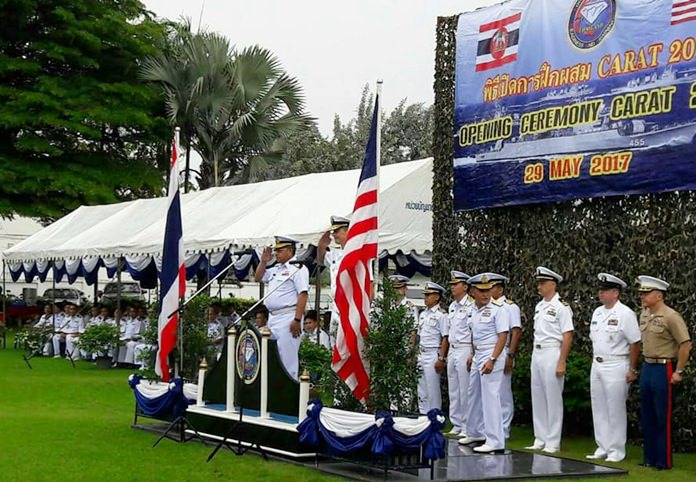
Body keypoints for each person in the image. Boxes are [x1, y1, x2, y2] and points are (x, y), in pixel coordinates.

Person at [637, 275, 692, 470]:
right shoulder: (644, 314)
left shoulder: (671, 316)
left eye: (646, 293)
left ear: (659, 295)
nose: (642, 296)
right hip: (648, 366)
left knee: (662, 415)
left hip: (663, 367)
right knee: (647, 414)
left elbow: (685, 344)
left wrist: (679, 370)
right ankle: (649, 458)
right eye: (642, 293)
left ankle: (663, 460)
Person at [586, 273, 641, 463]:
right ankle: (603, 446)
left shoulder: (625, 314)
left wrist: (632, 369)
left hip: (617, 363)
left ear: (615, 293)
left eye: (605, 290)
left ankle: (617, 449)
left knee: (615, 408)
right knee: (599, 407)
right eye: (600, 290)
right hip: (598, 363)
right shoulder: (597, 312)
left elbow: (635, 343)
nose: (600, 293)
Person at [458, 273, 510, 454]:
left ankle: (495, 440)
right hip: (479, 352)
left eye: (488, 290)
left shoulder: (498, 309)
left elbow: (503, 335)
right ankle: (475, 432)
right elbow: (474, 334)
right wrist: (473, 353)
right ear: (473, 291)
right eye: (481, 290)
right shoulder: (472, 309)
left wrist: (493, 359)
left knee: (490, 396)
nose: (485, 294)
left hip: (492, 352)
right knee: (473, 393)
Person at [525, 266, 574, 454]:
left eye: (543, 283)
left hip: (553, 351)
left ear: (553, 284)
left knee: (553, 398)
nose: (539, 286)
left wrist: (562, 361)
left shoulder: (561, 306)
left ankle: (553, 441)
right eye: (539, 282)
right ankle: (540, 438)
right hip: (537, 353)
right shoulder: (539, 306)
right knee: (537, 396)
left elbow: (567, 335)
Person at [255, 236, 309, 380]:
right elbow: (258, 277)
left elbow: (303, 295)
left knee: (287, 358)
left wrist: (297, 319)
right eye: (276, 250)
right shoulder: (276, 269)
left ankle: (289, 396)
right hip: (273, 317)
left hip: (288, 316)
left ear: (290, 251)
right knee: (272, 356)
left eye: (280, 250)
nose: (276, 253)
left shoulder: (298, 268)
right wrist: (263, 261)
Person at [487, 272, 522, 440]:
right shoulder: (487, 306)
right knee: (489, 393)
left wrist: (511, 354)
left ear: (500, 289)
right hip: (488, 352)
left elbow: (516, 331)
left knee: (503, 393)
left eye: (491, 287)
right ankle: (492, 428)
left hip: (503, 351)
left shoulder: (510, 307)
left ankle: (504, 428)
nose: (488, 290)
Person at [444, 270, 473, 437]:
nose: (453, 288)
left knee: (465, 389)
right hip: (453, 349)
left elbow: (473, 330)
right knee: (453, 389)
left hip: (465, 348)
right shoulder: (452, 306)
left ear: (465, 286)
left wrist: (473, 353)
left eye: (456, 285)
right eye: (452, 285)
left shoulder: (471, 305)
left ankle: (467, 425)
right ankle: (456, 423)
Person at [414, 282, 449, 414]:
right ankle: (423, 415)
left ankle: (434, 416)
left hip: (433, 352)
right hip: (422, 352)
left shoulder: (441, 315)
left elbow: (445, 337)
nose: (426, 297)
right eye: (426, 295)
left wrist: (441, 357)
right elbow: (419, 335)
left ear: (437, 297)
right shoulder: (423, 314)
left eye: (429, 295)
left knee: (432, 388)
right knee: (421, 387)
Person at [317, 215, 350, 345]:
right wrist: (321, 245)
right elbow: (321, 261)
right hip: (335, 307)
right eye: (333, 231)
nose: (334, 234)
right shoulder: (336, 254)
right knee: (334, 346)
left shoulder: (356, 253)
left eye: (337, 231)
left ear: (348, 230)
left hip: (349, 307)